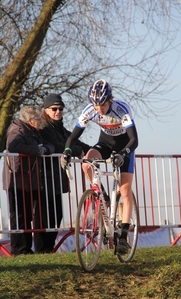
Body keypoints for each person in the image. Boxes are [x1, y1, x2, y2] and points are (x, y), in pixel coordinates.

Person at [61, 79, 138, 254]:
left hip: (125, 147)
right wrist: (66, 151)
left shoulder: (122, 109)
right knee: (87, 164)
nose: (99, 109)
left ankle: (124, 236)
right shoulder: (90, 110)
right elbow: (72, 138)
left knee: (125, 191)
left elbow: (134, 140)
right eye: (95, 104)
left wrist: (123, 154)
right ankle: (102, 195)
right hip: (105, 144)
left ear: (110, 100)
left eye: (102, 104)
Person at [35, 93, 91, 253]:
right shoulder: (44, 127)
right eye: (54, 109)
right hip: (44, 180)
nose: (58, 111)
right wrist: (78, 151)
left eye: (60, 108)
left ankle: (48, 250)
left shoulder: (58, 127)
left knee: (57, 215)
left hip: (56, 178)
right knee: (44, 218)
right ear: (46, 110)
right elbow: (59, 147)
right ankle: (41, 250)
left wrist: (96, 151)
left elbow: (73, 141)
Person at [2, 105, 54, 256]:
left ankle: (26, 249)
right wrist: (37, 150)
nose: (41, 122)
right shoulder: (17, 130)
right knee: (19, 216)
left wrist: (45, 149)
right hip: (17, 181)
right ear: (31, 121)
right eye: (38, 119)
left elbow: (48, 145)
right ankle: (19, 249)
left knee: (26, 216)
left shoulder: (32, 132)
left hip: (27, 181)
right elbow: (13, 146)